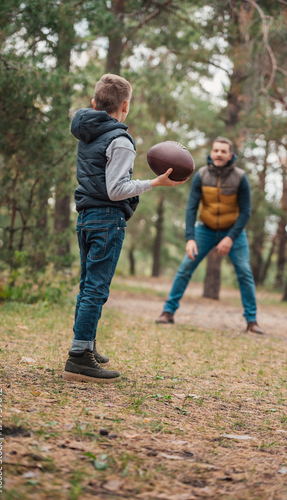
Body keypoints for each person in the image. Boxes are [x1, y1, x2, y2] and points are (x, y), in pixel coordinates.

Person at [63, 74, 187, 384]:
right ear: (126, 106)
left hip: (87, 215)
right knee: (96, 288)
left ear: (95, 104)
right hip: (106, 218)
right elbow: (117, 189)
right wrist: (154, 182)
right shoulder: (119, 140)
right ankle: (79, 356)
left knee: (88, 284)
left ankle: (86, 344)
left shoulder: (88, 133)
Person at [156, 137, 264, 335]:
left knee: (245, 273)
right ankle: (168, 312)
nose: (219, 154)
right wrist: (190, 238)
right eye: (216, 150)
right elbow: (191, 208)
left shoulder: (241, 177)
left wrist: (230, 237)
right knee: (185, 268)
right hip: (204, 230)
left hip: (233, 232)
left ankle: (252, 321)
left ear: (230, 155)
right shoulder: (201, 175)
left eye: (223, 151)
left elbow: (246, 212)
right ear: (211, 153)